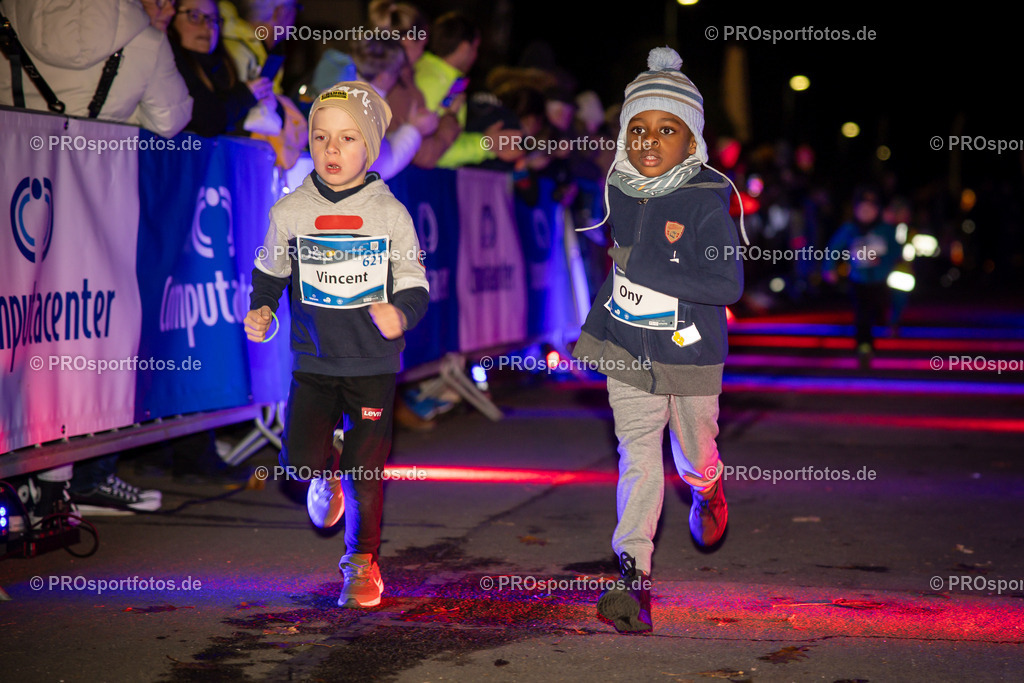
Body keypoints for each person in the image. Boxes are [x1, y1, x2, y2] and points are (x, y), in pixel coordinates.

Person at [571, 47, 746, 633]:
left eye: (666, 129)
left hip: (692, 351)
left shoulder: (707, 200)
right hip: (628, 349)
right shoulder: (618, 189)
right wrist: (595, 328)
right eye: (637, 128)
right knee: (638, 456)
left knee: (692, 451)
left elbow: (727, 282)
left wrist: (652, 273)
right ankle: (632, 577)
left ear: (691, 142)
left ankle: (707, 486)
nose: (649, 141)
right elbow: (621, 267)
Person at [244, 82, 429, 608]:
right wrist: (262, 307)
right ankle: (326, 475)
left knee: (367, 472)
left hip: (373, 363)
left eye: (347, 138)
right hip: (314, 361)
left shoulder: (390, 213)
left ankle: (362, 564)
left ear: (368, 148)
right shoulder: (291, 211)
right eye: (321, 136)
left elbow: (415, 283)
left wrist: (402, 312)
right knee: (299, 462)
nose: (331, 149)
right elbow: (270, 269)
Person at [0, 0, 192, 138]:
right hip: (95, 177)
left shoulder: (6, 22)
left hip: (12, 167)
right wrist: (128, 106)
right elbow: (169, 122)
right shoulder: (148, 41)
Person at [412, 11, 521, 168]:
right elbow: (431, 152)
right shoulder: (440, 83)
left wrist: (486, 142)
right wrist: (486, 145)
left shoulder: (427, 70)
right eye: (476, 48)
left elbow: (445, 139)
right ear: (464, 48)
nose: (476, 56)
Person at [168, 0, 275, 137]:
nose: (206, 26)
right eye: (194, 16)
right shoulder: (171, 64)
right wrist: (245, 95)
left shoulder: (223, 68)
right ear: (171, 17)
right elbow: (207, 120)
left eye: (213, 19)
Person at [823, 187, 900, 368]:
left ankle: (889, 320)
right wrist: (829, 268)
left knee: (880, 308)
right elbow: (833, 248)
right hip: (858, 280)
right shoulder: (850, 230)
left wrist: (883, 261)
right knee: (862, 314)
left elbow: (896, 250)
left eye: (870, 209)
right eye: (862, 209)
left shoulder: (885, 230)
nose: (866, 213)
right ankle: (864, 346)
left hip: (881, 281)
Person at [351, 37, 438, 180]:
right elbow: (381, 166)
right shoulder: (366, 105)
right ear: (383, 77)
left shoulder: (346, 95)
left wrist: (408, 128)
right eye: (396, 72)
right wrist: (414, 129)